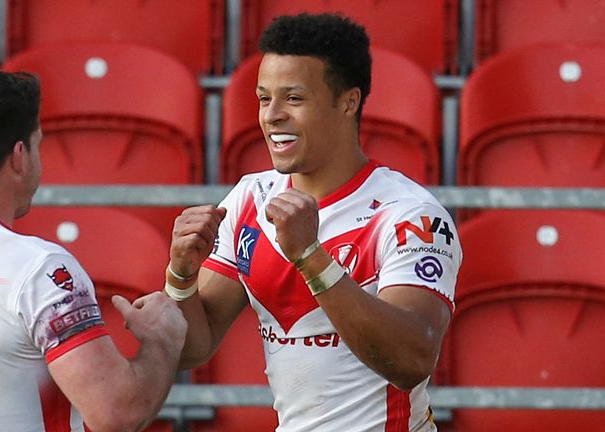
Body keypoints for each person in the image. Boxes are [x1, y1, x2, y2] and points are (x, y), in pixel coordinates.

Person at [165, 13, 462, 432]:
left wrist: (310, 257)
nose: (272, 116)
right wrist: (180, 274)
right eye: (264, 98)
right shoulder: (250, 198)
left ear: (348, 102)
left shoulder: (410, 215)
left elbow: (411, 360)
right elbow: (192, 346)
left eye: (294, 98)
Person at [0, 66, 187, 432]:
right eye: (38, 146)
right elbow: (117, 413)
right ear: (19, 156)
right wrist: (162, 340)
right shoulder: (37, 269)